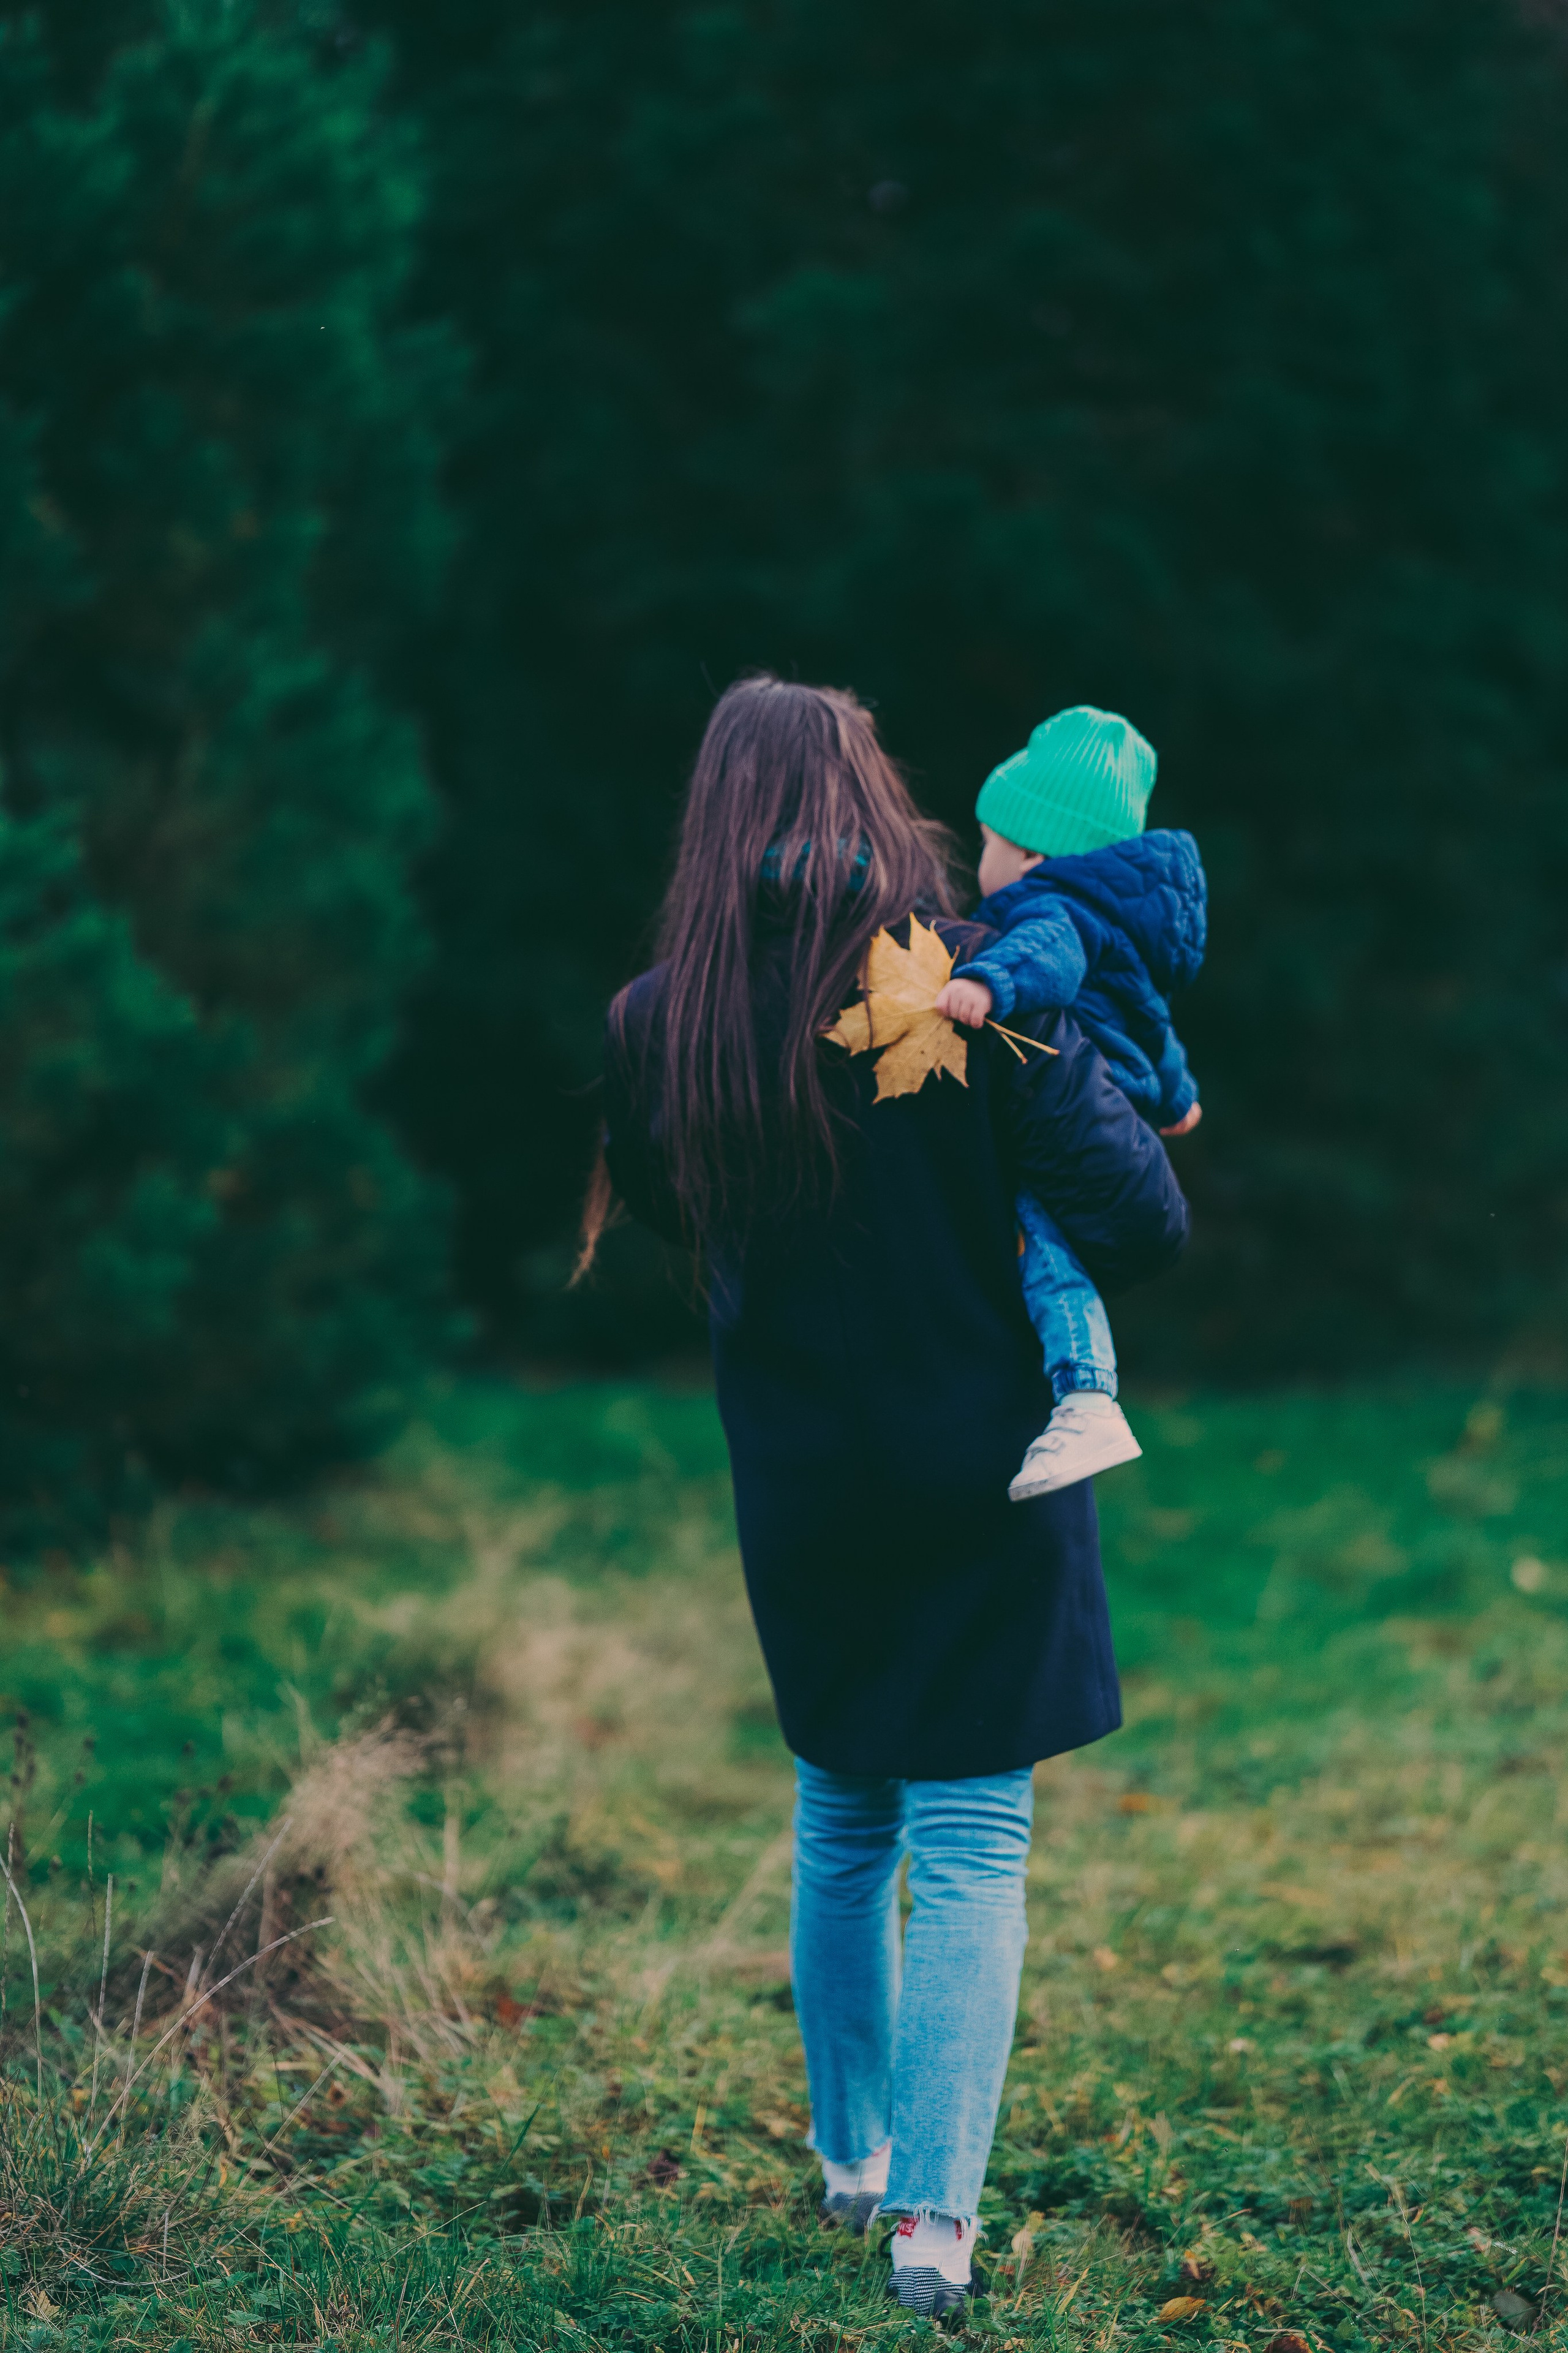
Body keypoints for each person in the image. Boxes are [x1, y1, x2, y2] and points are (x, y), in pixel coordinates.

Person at [586, 676, 1188, 2319]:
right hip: (993, 1463)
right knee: (972, 1834)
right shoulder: (968, 988)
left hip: (801, 1480)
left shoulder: (660, 1019)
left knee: (843, 1819)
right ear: (874, 794)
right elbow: (1140, 1221)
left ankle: (853, 2159)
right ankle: (935, 2223)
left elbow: (665, 1219)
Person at [932, 706, 1208, 1503]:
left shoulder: (1049, 908)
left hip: (1070, 1113)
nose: (980, 858)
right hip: (1114, 1102)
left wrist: (989, 981)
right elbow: (1151, 1020)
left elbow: (1045, 954)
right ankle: (1079, 1392)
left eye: (989, 842)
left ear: (1034, 852)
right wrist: (1177, 1096)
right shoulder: (1111, 918)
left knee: (1042, 1240)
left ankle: (1088, 1398)